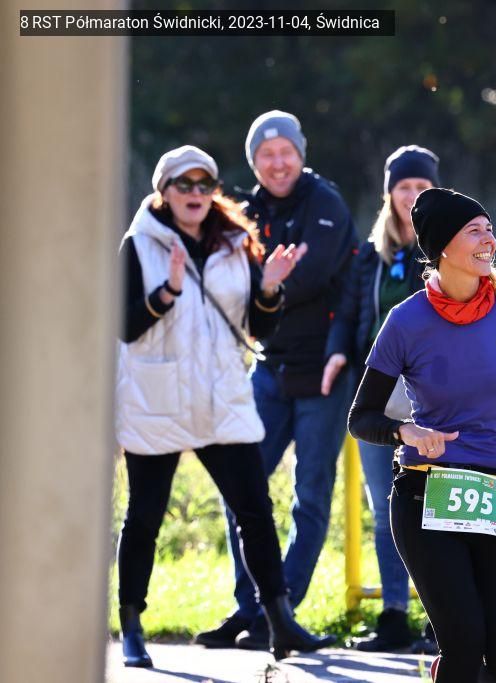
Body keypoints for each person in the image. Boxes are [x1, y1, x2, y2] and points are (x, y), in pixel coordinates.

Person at [115, 145, 334, 666]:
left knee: (255, 511)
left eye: (204, 184)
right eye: (184, 184)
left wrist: (271, 288)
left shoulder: (237, 242)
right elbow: (123, 326)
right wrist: (166, 292)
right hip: (157, 399)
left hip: (222, 398)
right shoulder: (138, 244)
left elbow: (258, 327)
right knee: (144, 517)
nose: (195, 193)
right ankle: (131, 626)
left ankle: (279, 621)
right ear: (163, 192)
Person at [348, 188, 496, 681]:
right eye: (474, 231)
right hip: (427, 493)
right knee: (464, 644)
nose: (489, 240)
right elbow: (361, 417)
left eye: (489, 229)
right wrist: (405, 431)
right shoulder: (405, 321)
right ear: (443, 246)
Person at [196, 111, 359, 651]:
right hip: (268, 368)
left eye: (286, 151)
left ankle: (280, 613)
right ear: (253, 162)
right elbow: (224, 279)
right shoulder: (244, 212)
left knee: (309, 496)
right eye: (266, 154)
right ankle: (252, 609)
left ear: (301, 153)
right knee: (239, 486)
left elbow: (307, 277)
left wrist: (262, 283)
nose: (278, 162)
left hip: (324, 373)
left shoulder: (326, 203)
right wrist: (262, 282)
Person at [324, 145, 440, 653]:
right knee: (387, 508)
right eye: (403, 187)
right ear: (389, 194)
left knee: (437, 509)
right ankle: (394, 615)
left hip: (433, 394)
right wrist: (336, 353)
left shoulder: (448, 248)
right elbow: (350, 315)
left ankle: (442, 621)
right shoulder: (370, 255)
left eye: (421, 187)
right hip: (377, 394)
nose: (411, 196)